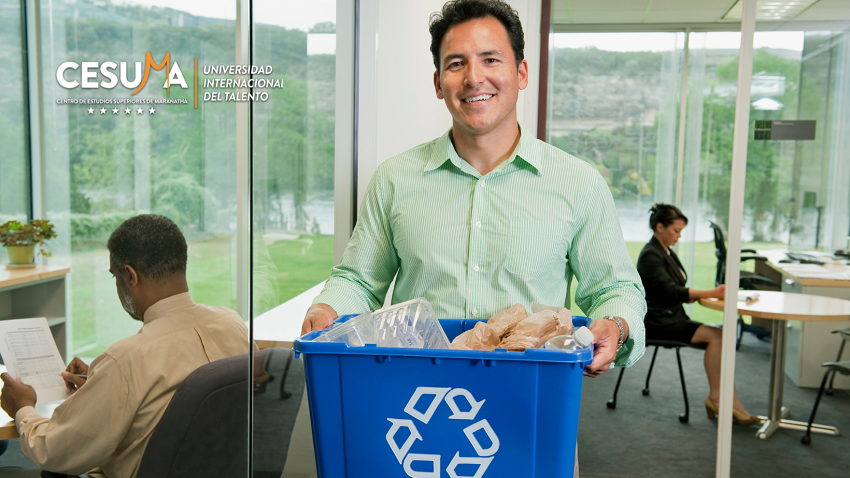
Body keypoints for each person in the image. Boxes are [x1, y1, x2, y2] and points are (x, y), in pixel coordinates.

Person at [301, 0, 646, 378]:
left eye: (491, 60)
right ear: (438, 83)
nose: (473, 78)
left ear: (522, 72)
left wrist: (617, 324)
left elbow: (615, 287)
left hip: (527, 396)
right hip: (412, 395)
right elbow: (359, 280)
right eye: (456, 64)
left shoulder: (579, 183)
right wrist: (327, 309)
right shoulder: (395, 178)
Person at [0, 214, 252, 477]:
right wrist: (100, 384)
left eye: (114, 276)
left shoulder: (126, 360)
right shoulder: (232, 324)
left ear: (130, 276)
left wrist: (23, 406)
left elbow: (52, 452)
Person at [636, 203, 759, 425]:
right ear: (660, 227)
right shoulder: (650, 255)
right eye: (676, 230)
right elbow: (671, 291)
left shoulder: (664, 251)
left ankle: (725, 400)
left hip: (671, 316)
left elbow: (675, 290)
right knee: (718, 337)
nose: (679, 236)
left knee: (720, 337)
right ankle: (718, 398)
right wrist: (711, 292)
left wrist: (699, 294)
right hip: (659, 322)